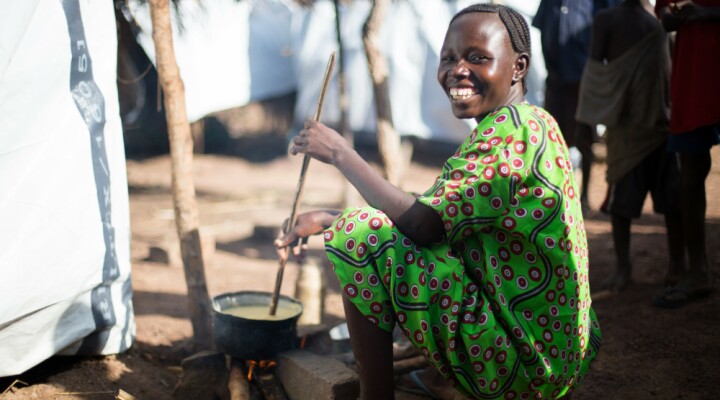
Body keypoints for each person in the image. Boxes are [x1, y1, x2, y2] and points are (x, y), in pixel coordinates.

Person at [275, 4, 601, 399]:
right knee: (372, 230)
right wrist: (329, 216)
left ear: (518, 67)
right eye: (449, 58)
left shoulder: (511, 130)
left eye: (477, 58)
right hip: (554, 356)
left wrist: (342, 154)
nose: (457, 70)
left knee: (359, 236)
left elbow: (423, 225)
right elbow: (439, 214)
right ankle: (441, 372)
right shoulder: (533, 121)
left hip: (525, 368)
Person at [575, 0, 684, 294]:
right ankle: (623, 269)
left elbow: (674, 63)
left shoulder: (662, 15)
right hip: (626, 128)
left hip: (662, 124)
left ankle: (677, 266)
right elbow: (595, 72)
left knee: (673, 201)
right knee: (621, 205)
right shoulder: (607, 20)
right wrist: (586, 118)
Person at [652, 0, 720, 307]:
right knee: (690, 172)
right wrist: (674, 14)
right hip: (694, 76)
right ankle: (698, 272)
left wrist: (704, 13)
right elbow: (665, 17)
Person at [532, 0, 621, 209]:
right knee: (551, 137)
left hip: (583, 81)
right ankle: (553, 193)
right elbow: (541, 25)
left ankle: (584, 195)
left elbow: (610, 23)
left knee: (584, 138)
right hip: (555, 79)